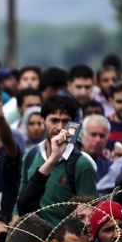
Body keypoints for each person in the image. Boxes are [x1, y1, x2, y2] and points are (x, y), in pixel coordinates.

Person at [15, 95, 96, 226]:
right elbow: (21, 195)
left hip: (64, 241)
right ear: (42, 122)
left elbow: (90, 213)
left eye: (66, 121)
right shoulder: (32, 154)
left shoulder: (82, 163)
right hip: (33, 238)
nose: (60, 127)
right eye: (54, 120)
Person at [81, 114, 112, 182]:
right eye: (93, 134)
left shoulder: (110, 169)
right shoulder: (69, 163)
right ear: (82, 135)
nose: (98, 140)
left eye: (102, 136)